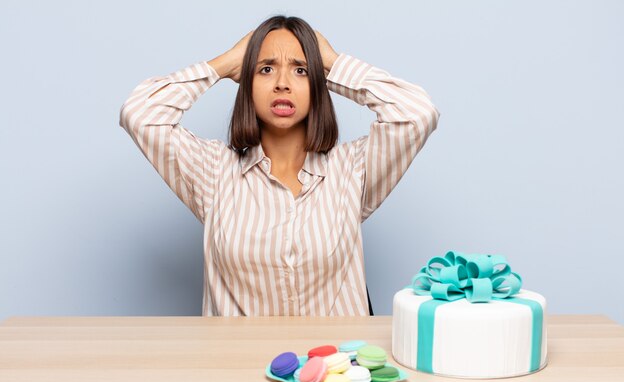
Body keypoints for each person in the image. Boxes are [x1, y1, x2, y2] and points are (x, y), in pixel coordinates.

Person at [118, 15, 440, 317]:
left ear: (317, 82)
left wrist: (332, 62)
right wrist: (225, 64)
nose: (283, 83)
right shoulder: (213, 171)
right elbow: (140, 115)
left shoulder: (352, 170)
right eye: (266, 69)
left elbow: (417, 113)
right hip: (237, 369)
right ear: (247, 82)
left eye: (300, 70)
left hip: (334, 370)